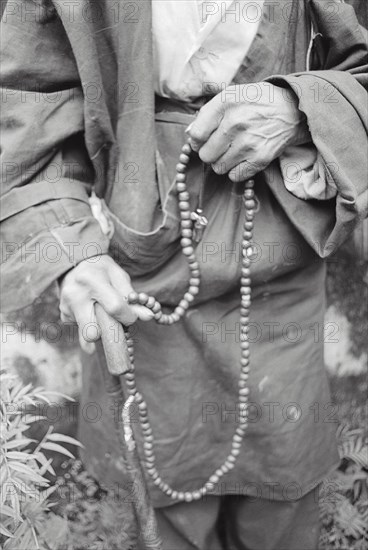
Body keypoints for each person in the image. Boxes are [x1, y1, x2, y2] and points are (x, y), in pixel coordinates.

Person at [1, 0, 367, 548]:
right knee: (161, 460)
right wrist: (69, 244)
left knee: (281, 466)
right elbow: (32, 91)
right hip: (138, 240)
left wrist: (305, 107)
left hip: (278, 237)